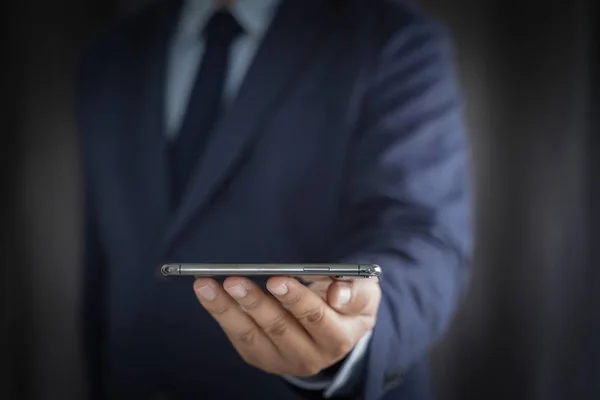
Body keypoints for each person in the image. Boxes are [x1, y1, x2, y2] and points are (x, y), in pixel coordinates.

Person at [76, 0, 472, 399]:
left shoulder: (390, 37)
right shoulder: (110, 56)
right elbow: (103, 261)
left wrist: (352, 329)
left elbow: (423, 234)